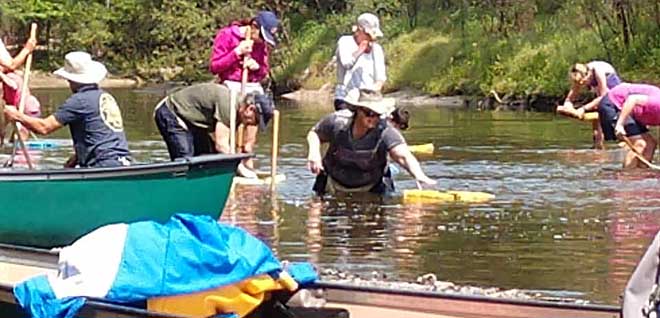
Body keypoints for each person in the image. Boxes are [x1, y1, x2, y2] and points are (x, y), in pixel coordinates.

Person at [3, 51, 131, 168]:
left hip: (103, 164)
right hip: (121, 160)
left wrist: (17, 115)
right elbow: (99, 135)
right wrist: (74, 161)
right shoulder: (105, 96)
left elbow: (44, 127)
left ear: (71, 79)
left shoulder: (79, 100)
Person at [306, 90, 436, 195]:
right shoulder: (337, 122)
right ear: (357, 110)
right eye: (369, 113)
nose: (373, 118)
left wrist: (420, 176)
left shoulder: (385, 130)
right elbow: (314, 134)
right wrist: (314, 154)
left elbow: (403, 156)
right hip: (332, 182)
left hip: (372, 186)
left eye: (377, 114)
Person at [153, 82, 273, 178]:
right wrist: (240, 168)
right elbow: (221, 145)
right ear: (250, 109)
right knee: (185, 160)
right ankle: (177, 188)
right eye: (255, 120)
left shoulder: (238, 114)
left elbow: (226, 147)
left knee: (207, 159)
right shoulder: (229, 106)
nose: (253, 124)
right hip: (171, 112)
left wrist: (247, 168)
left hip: (194, 122)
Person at [209, 11, 279, 171]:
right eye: (262, 36)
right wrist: (236, 53)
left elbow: (263, 72)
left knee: (259, 105)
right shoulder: (227, 35)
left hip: (252, 84)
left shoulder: (261, 45)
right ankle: (230, 161)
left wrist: (257, 67)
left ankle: (248, 154)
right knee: (231, 112)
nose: (262, 41)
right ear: (254, 26)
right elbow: (214, 67)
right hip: (230, 84)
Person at [556, 61, 622, 149]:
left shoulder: (598, 71)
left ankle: (621, 142)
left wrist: (583, 109)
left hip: (613, 91)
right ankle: (598, 146)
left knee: (607, 111)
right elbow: (570, 98)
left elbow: (604, 97)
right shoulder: (580, 74)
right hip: (601, 93)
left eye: (583, 82)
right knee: (597, 120)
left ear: (588, 75)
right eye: (579, 83)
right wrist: (567, 106)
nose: (582, 85)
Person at [594, 83, 660, 168]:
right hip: (615, 103)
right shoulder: (657, 102)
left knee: (651, 143)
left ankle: (642, 174)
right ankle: (627, 177)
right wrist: (620, 124)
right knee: (640, 143)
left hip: (633, 112)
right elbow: (632, 99)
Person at [334, 13, 387, 111]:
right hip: (346, 98)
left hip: (368, 100)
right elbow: (347, 64)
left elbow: (380, 77)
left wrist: (373, 92)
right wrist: (360, 49)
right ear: (359, 30)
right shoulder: (345, 41)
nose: (371, 38)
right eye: (368, 35)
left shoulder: (377, 49)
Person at [0, 70, 41, 144]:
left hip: (27, 108)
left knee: (20, 137)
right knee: (13, 139)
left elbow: (13, 85)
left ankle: (21, 154)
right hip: (17, 109)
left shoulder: (11, 76)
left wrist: (2, 76)